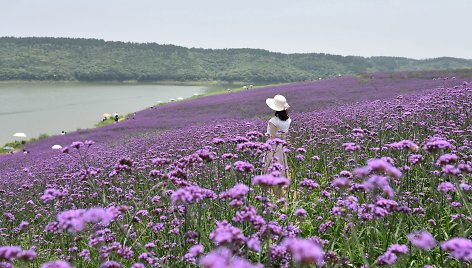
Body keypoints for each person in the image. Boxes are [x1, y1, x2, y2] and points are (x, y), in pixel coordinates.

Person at [263, 94, 291, 178]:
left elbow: (272, 137)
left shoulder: (273, 121)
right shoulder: (289, 120)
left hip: (273, 147)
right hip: (282, 145)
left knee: (271, 165)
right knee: (281, 164)